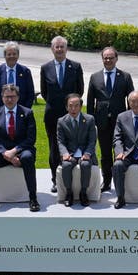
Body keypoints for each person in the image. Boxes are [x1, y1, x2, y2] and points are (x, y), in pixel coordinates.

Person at [0, 84, 40, 212]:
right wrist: (6, 153)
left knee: (28, 157)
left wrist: (14, 152)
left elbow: (31, 139)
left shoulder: (27, 113)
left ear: (18, 97)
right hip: (1, 152)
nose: (10, 99)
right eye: (7, 97)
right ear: (2, 98)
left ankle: (33, 198)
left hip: (22, 150)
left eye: (12, 97)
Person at [87, 46, 134, 191]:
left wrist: (130, 119)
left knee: (120, 152)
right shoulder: (95, 77)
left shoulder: (125, 76)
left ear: (116, 59)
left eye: (110, 58)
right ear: (102, 59)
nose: (108, 60)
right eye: (105, 58)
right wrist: (91, 120)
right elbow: (90, 101)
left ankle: (120, 181)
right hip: (102, 122)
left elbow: (131, 100)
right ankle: (106, 181)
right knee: (105, 153)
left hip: (120, 122)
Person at [40, 36, 84, 193]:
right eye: (56, 47)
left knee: (73, 145)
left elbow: (80, 91)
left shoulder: (76, 67)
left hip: (72, 115)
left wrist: (70, 107)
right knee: (54, 148)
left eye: (62, 47)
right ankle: (55, 180)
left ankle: (72, 179)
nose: (59, 50)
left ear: (66, 49)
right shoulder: (45, 68)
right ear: (52, 49)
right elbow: (44, 92)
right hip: (52, 116)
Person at [57, 94, 97, 207]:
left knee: (85, 164)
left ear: (81, 107)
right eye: (70, 106)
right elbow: (60, 141)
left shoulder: (89, 119)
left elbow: (92, 140)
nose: (73, 109)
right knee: (66, 165)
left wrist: (88, 153)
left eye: (76, 106)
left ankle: (83, 193)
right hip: (70, 153)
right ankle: (68, 193)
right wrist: (64, 153)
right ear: (66, 107)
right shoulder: (61, 121)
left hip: (85, 152)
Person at [0, 41, 35, 110]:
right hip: (1, 113)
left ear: (18, 55)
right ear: (5, 56)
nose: (12, 56)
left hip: (21, 113)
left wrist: (25, 112)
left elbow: (30, 94)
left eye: (14, 54)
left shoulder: (25, 72)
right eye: (9, 54)